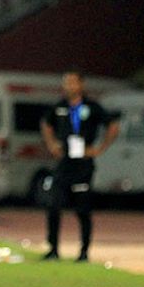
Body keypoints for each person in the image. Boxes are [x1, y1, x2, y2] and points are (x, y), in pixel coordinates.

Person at [40, 70, 119, 262]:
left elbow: (113, 125)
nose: (69, 86)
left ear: (81, 85)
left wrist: (100, 148)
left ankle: (84, 251)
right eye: (66, 82)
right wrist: (52, 145)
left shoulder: (92, 107)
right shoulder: (60, 107)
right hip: (64, 163)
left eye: (73, 83)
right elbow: (46, 124)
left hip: (83, 165)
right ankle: (53, 249)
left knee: (82, 209)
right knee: (53, 205)